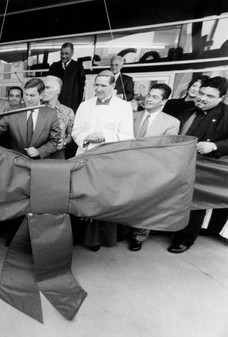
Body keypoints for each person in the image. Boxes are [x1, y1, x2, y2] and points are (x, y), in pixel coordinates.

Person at [71, 70, 134, 251]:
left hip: (107, 159)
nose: (98, 89)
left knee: (100, 199)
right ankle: (77, 235)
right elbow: (76, 130)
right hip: (84, 156)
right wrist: (86, 138)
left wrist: (104, 136)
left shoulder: (124, 107)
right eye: (96, 85)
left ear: (113, 87)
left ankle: (95, 240)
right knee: (81, 195)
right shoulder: (84, 105)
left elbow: (128, 136)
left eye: (103, 85)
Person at [168, 76, 228, 254]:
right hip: (177, 162)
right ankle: (169, 228)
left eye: (209, 96)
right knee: (173, 198)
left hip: (203, 167)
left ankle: (185, 239)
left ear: (221, 98)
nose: (202, 98)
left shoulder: (226, 115)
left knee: (196, 203)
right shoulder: (187, 108)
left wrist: (215, 146)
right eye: (201, 93)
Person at [129, 83, 180, 251]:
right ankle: (122, 230)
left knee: (146, 204)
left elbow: (166, 150)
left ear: (164, 101)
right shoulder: (131, 116)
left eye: (155, 97)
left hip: (151, 170)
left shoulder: (171, 123)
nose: (149, 99)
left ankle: (138, 236)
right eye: (149, 95)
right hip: (127, 166)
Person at [0, 78, 61, 159]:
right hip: (16, 161)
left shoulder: (51, 114)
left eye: (32, 95)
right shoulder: (13, 110)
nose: (28, 99)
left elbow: (54, 141)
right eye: (26, 94)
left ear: (41, 95)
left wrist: (39, 151)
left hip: (38, 164)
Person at [47, 42, 86, 111]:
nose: (63, 56)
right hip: (54, 105)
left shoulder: (78, 67)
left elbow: (81, 88)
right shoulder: (54, 67)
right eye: (62, 53)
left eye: (66, 54)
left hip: (71, 105)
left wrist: (77, 104)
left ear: (72, 53)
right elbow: (48, 85)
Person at [42, 75, 74, 159]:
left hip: (58, 154)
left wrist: (64, 142)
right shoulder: (36, 109)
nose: (43, 91)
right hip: (38, 152)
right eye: (43, 88)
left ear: (57, 90)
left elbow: (70, 135)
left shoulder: (68, 112)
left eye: (47, 87)